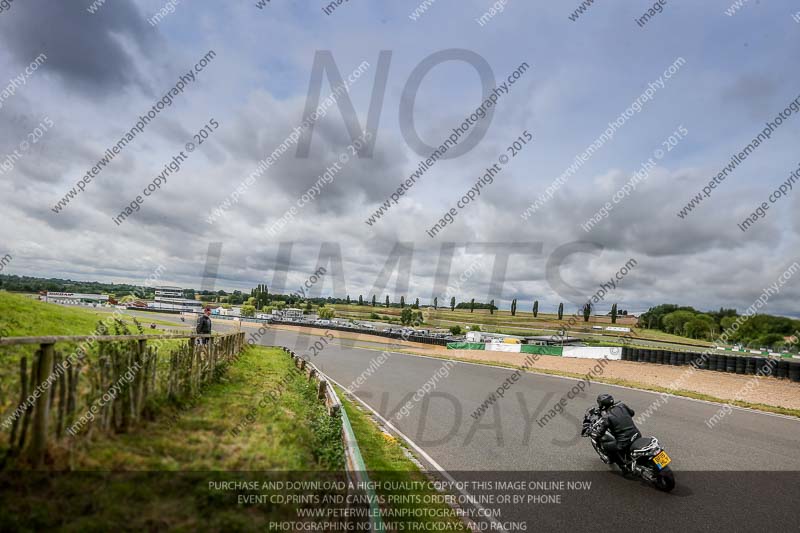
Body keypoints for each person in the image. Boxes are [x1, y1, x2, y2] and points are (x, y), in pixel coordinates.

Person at [586, 393, 641, 473]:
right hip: (637, 434)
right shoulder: (622, 405)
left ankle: (623, 467)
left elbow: (600, 433)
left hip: (624, 441)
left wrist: (593, 433)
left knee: (607, 447)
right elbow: (632, 413)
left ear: (602, 404)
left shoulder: (607, 417)